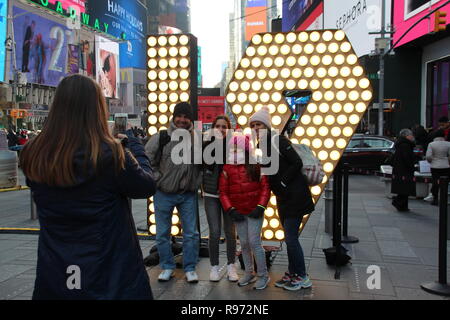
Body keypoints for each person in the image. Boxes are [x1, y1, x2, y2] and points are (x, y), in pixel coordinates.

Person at [19, 74, 155, 300]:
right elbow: (146, 186)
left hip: (57, 272)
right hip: (110, 274)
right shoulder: (111, 154)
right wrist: (136, 148)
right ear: (96, 110)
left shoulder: (34, 154)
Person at [249, 106, 314, 291]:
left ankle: (302, 276)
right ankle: (293, 274)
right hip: (284, 197)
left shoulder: (277, 139)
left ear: (266, 125)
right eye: (253, 125)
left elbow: (296, 162)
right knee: (289, 237)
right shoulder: (263, 144)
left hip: (295, 195)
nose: (255, 127)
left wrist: (284, 182)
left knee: (291, 238)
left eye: (259, 124)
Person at [145, 102, 202, 283]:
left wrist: (197, 182)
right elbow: (147, 161)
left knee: (191, 234)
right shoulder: (161, 137)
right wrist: (157, 179)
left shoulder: (197, 139)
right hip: (164, 192)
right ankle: (167, 266)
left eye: (186, 116)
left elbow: (203, 164)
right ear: (173, 117)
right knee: (162, 233)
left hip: (187, 193)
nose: (182, 120)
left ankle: (190, 268)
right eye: (180, 116)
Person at [218, 133, 271, 290]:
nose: (235, 152)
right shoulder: (227, 169)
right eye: (232, 149)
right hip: (239, 212)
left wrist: (260, 206)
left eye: (238, 148)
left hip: (255, 211)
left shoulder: (256, 166)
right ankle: (249, 272)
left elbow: (265, 187)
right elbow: (223, 192)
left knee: (255, 242)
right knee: (245, 244)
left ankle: (263, 275)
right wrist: (231, 209)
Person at [202, 115, 238, 282]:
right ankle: (214, 266)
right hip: (210, 193)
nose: (221, 129)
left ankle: (231, 265)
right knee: (214, 232)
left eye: (224, 127)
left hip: (229, 195)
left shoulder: (234, 147)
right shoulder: (205, 145)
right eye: (218, 126)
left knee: (230, 232)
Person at [391, 129, 417, 212]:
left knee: (403, 189)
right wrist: (412, 166)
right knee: (405, 188)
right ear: (407, 136)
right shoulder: (405, 145)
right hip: (404, 170)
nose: (412, 136)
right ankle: (399, 203)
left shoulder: (402, 144)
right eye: (411, 135)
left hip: (400, 169)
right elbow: (407, 158)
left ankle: (402, 205)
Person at [426, 129, 450, 206]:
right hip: (446, 166)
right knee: (445, 182)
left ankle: (435, 198)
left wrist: (431, 161)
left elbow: (428, 156)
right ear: (444, 136)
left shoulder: (431, 144)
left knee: (435, 182)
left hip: (435, 166)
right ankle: (444, 198)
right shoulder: (448, 144)